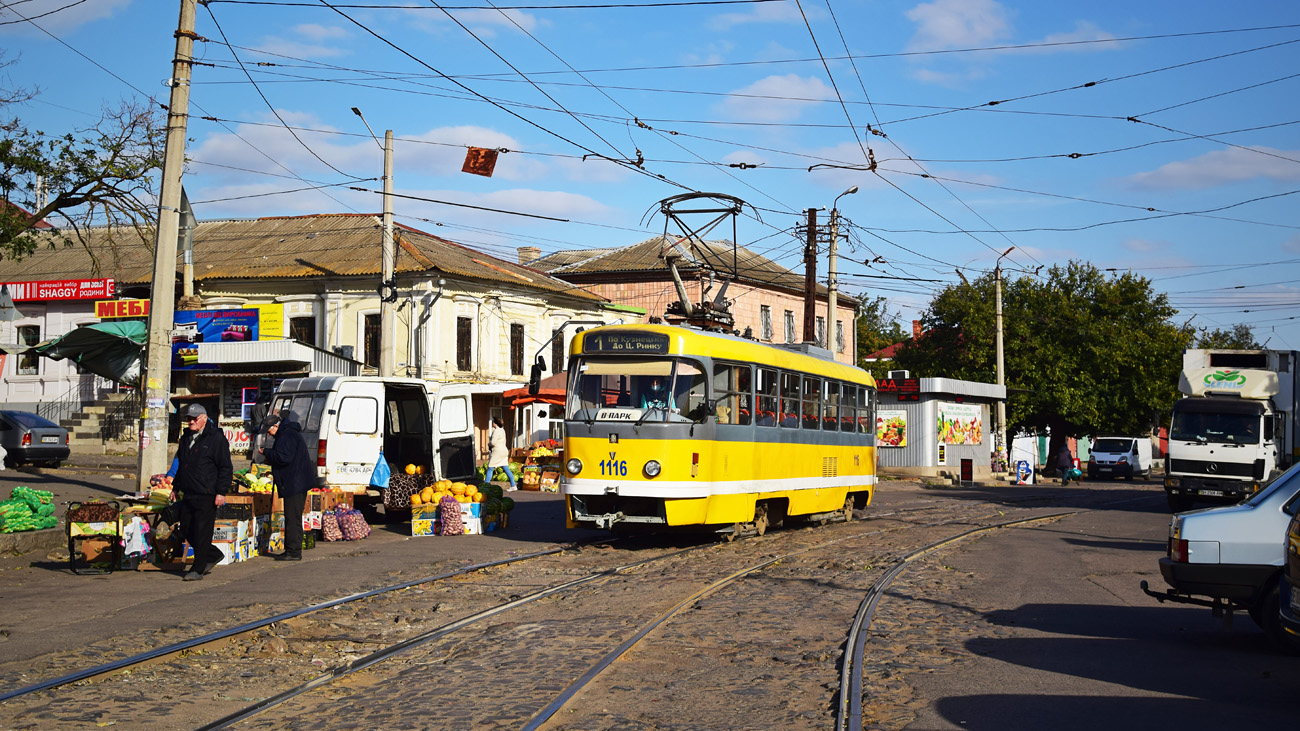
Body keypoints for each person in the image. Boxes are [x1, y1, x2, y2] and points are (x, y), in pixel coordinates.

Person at [171, 403, 232, 581]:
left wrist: (221, 492)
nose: (191, 422)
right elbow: (183, 464)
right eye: (188, 419)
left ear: (204, 418)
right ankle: (212, 554)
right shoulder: (186, 438)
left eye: (194, 419)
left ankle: (197, 569)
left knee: (203, 531)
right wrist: (176, 486)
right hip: (189, 492)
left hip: (207, 493)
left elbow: (225, 467)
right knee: (187, 529)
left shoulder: (216, 439)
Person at [261, 413, 313, 561]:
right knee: (293, 517)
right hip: (295, 482)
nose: (268, 433)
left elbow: (284, 457)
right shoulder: (287, 434)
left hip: (295, 483)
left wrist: (267, 452)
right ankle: (292, 550)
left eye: (269, 430)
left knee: (292, 518)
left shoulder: (287, 435)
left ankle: (294, 552)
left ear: (276, 426)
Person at [487, 417, 516, 491]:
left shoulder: (496, 431)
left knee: (490, 468)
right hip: (504, 451)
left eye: (493, 422)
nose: (492, 423)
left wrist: (489, 443)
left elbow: (493, 442)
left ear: (495, 423)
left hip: (497, 452)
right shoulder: (503, 430)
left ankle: (485, 485)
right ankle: (513, 485)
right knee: (506, 468)